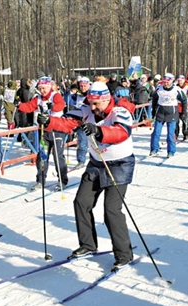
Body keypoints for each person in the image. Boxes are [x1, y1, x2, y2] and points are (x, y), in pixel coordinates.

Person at [36, 81, 136, 270]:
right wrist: (48, 122)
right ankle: (88, 245)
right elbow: (66, 122)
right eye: (90, 102)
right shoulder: (87, 110)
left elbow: (120, 133)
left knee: (111, 210)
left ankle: (124, 254)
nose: (92, 107)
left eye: (96, 104)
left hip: (120, 165)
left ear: (106, 100)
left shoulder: (120, 112)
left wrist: (99, 130)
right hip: (96, 164)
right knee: (81, 203)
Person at [17, 76, 68, 191]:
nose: (42, 90)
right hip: (44, 131)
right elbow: (29, 107)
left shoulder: (55, 95)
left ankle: (62, 180)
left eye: (44, 88)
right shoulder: (38, 98)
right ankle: (40, 180)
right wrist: (19, 105)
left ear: (49, 87)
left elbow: (61, 105)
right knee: (42, 156)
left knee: (58, 156)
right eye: (40, 88)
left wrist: (53, 107)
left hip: (57, 130)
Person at [150, 73, 188, 157]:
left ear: (171, 81)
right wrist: (153, 110)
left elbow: (184, 100)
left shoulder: (176, 89)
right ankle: (154, 149)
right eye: (164, 82)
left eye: (167, 82)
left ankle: (171, 151)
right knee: (156, 132)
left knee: (170, 134)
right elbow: (154, 99)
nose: (165, 83)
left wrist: (184, 113)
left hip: (172, 114)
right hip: (160, 113)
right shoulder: (159, 88)